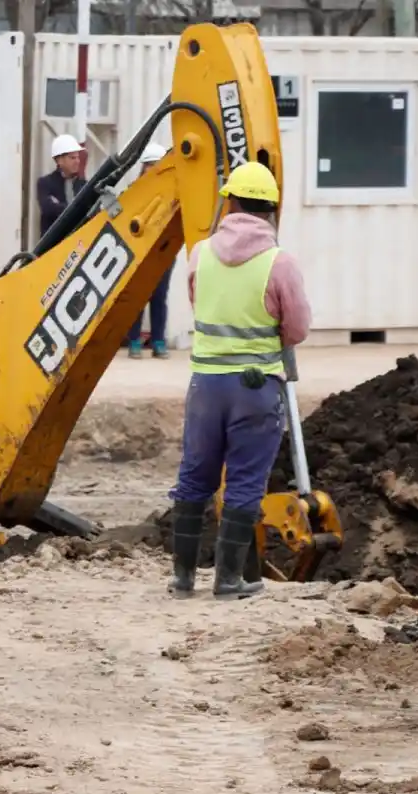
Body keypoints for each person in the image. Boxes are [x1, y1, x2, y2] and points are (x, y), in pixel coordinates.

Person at [166, 161, 312, 599]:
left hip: (206, 385)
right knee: (246, 481)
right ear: (271, 209)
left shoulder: (200, 254)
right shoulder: (279, 263)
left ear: (228, 201)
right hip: (255, 387)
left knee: (195, 477)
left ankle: (183, 578)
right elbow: (297, 328)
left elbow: (198, 303)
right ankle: (229, 580)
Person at [125, 142, 172, 359]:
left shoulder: (171, 192)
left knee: (159, 296)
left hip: (163, 250)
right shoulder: (133, 191)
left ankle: (158, 341)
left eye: (157, 164)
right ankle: (134, 340)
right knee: (137, 296)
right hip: (138, 250)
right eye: (150, 164)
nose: (153, 169)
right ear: (143, 167)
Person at [36, 134, 87, 239]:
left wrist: (61, 206)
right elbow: (48, 209)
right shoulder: (45, 183)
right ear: (59, 160)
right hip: (54, 244)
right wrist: (76, 209)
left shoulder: (83, 185)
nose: (77, 161)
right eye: (72, 158)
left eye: (78, 157)